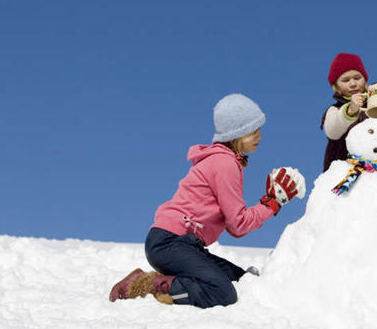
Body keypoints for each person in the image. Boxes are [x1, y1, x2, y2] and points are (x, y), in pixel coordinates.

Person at [109, 94, 305, 309]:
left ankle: (169, 279)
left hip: (182, 244)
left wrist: (270, 203)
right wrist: (272, 203)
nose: (260, 136)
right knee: (222, 292)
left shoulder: (223, 160)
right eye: (253, 131)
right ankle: (147, 284)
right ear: (237, 135)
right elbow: (237, 225)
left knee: (241, 280)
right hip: (170, 242)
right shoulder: (225, 164)